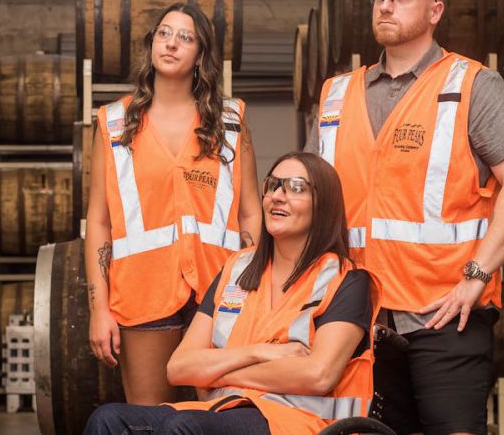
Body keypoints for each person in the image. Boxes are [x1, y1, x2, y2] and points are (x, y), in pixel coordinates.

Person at [306, 0, 504, 435]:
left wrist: (477, 277)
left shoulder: (472, 84)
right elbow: (314, 199)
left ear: (436, 11)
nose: (386, 3)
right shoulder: (335, 94)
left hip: (444, 313)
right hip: (357, 319)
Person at [85, 152, 378, 434]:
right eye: (272, 185)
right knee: (109, 419)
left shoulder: (347, 280)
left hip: (302, 421)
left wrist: (218, 374)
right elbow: (179, 368)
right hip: (224, 411)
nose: (277, 195)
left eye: (296, 188)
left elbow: (318, 375)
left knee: (184, 426)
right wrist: (261, 353)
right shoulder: (237, 268)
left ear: (323, 205)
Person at [84, 2, 262, 404]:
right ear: (151, 45)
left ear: (201, 55)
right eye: (164, 33)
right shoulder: (114, 123)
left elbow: (251, 210)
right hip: (142, 292)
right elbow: (98, 221)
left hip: (220, 293)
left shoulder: (230, 121)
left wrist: (254, 288)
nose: (171, 43)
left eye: (185, 37)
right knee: (149, 421)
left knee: (222, 417)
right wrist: (99, 308)